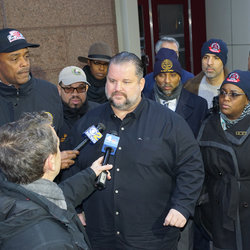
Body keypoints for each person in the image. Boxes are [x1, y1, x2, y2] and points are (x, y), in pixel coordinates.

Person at [61, 51, 205, 249]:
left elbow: (192, 167)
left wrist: (182, 206)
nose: (117, 88)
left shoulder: (169, 123)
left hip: (153, 237)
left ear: (141, 84)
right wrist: (75, 207)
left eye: (126, 82)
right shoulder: (87, 123)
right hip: (101, 237)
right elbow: (71, 165)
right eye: (112, 81)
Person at [0, 111, 113, 249]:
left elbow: (61, 195)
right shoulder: (53, 242)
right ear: (51, 162)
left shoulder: (15, 194)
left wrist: (92, 173)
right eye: (57, 147)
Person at [0, 28, 77, 170]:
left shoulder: (49, 91)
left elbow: (60, 139)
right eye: (15, 58)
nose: (24, 63)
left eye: (26, 56)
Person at [197, 70, 250, 250]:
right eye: (223, 92)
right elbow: (199, 171)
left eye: (234, 94)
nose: (226, 98)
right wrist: (204, 203)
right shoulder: (207, 126)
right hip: (219, 210)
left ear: (248, 99)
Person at [144, 47, 208, 138]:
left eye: (173, 75)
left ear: (179, 77)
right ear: (154, 77)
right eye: (161, 75)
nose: (167, 81)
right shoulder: (142, 104)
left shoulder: (199, 105)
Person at [57, 66, 99, 143]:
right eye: (69, 89)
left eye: (81, 88)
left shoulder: (99, 113)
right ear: (59, 89)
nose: (75, 94)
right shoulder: (53, 117)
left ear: (86, 88)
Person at [184, 38, 229, 109]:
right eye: (206, 57)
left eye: (216, 58)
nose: (209, 63)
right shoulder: (190, 87)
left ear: (223, 62)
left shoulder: (234, 88)